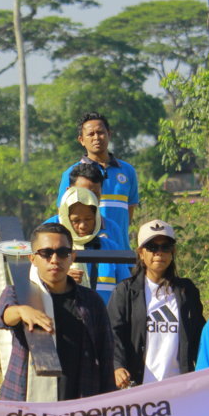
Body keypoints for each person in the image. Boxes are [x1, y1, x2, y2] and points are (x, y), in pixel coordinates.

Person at [0, 222, 115, 401]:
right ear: (32, 258)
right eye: (46, 253)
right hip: (25, 399)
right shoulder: (19, 293)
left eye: (62, 252)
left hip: (79, 398)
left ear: (72, 256)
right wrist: (21, 311)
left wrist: (108, 402)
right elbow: (1, 317)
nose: (54, 260)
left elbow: (105, 353)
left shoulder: (91, 301)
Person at [108, 219, 204, 387]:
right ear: (140, 253)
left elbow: (198, 336)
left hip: (179, 389)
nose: (159, 253)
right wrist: (117, 366)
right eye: (152, 247)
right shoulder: (125, 291)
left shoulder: (187, 291)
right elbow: (113, 334)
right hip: (136, 388)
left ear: (173, 251)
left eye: (165, 247)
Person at [55, 112, 139, 246]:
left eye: (100, 132)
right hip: (85, 252)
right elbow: (63, 215)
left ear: (109, 135)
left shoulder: (128, 171)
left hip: (120, 249)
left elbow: (129, 214)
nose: (96, 138)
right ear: (81, 140)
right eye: (90, 134)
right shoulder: (72, 173)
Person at [56, 186, 132, 304]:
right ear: (65, 219)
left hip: (107, 319)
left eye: (88, 219)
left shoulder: (110, 247)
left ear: (97, 217)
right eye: (76, 220)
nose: (82, 225)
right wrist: (61, 278)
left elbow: (126, 288)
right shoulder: (56, 249)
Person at [45, 162, 128, 249]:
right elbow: (32, 254)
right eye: (83, 194)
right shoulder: (49, 228)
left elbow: (121, 260)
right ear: (68, 192)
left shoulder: (112, 229)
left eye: (95, 195)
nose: (89, 200)